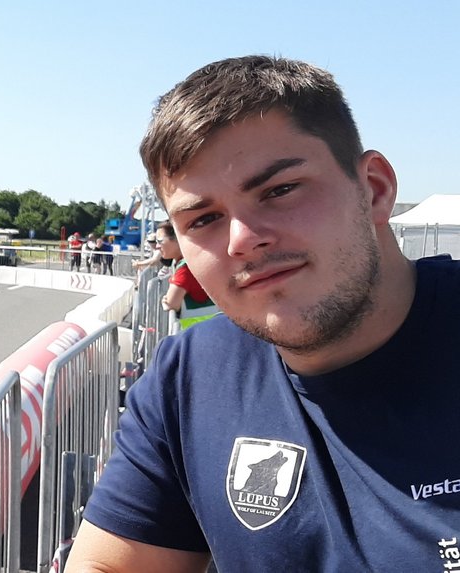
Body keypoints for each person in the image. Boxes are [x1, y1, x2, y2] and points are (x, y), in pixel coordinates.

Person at [68, 55, 458, 572]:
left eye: (279, 190)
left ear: (374, 190)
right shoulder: (188, 379)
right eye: (203, 219)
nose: (243, 240)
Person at [154, 221, 211, 312]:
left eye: (160, 241)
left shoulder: (185, 268)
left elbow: (171, 304)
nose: (156, 246)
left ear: (177, 239)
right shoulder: (193, 260)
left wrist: (164, 302)